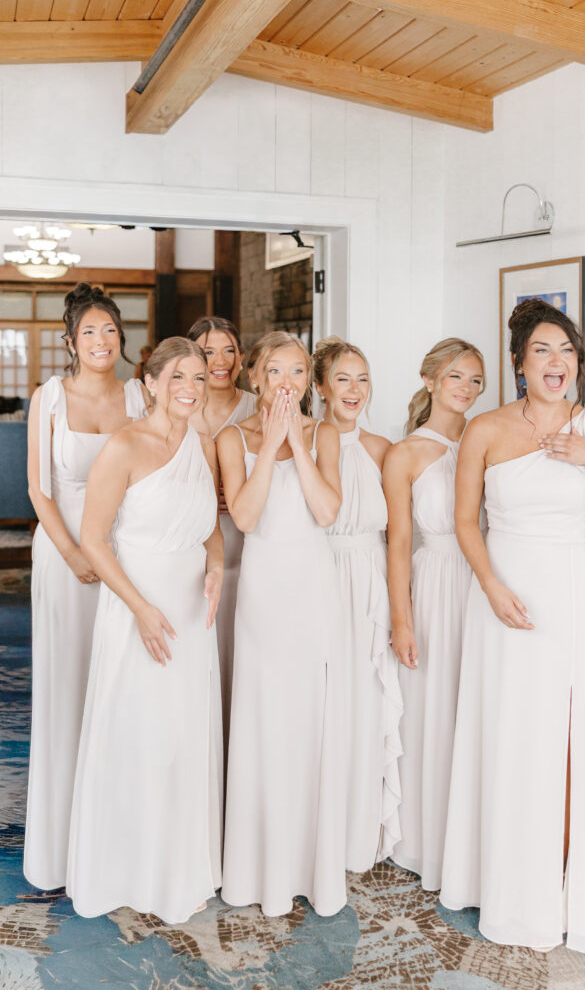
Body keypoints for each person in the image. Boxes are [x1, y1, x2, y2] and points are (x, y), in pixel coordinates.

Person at [440, 299, 585, 954]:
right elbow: (465, 521)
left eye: (567, 351)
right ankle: (508, 889)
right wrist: (491, 586)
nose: (557, 363)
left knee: (571, 747)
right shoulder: (486, 429)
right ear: (518, 364)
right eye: (542, 351)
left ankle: (564, 893)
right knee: (513, 740)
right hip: (504, 607)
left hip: (574, 607)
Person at [67, 338, 224, 924]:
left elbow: (209, 526)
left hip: (191, 611)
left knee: (182, 737)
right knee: (140, 735)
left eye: (199, 377)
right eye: (178, 376)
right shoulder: (124, 445)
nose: (190, 387)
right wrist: (139, 608)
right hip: (138, 608)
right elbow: (92, 540)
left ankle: (177, 868)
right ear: (151, 382)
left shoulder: (201, 444)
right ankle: (126, 870)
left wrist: (216, 564)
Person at [24, 283, 147, 892]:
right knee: (69, 681)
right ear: (71, 341)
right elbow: (39, 489)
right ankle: (61, 846)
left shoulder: (141, 394)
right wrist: (73, 554)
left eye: (110, 330)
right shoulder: (49, 397)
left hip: (127, 554)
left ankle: (117, 839)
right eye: (89, 332)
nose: (101, 341)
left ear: (122, 338)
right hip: (64, 554)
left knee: (122, 685)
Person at [219, 331, 346, 918]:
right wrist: (270, 447)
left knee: (310, 717)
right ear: (256, 377)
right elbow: (245, 517)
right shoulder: (231, 438)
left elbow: (326, 511)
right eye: (276, 371)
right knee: (265, 715)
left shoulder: (325, 434)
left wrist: (297, 438)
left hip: (313, 590)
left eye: (298, 371)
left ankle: (308, 866)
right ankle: (258, 870)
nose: (288, 383)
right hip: (264, 591)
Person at [383, 338, 485, 891]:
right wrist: (402, 620)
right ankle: (429, 840)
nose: (466, 389)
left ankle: (475, 840)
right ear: (430, 380)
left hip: (485, 581)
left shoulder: (488, 436)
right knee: (434, 707)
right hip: (436, 583)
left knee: (476, 706)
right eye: (456, 377)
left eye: (475, 380)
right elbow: (399, 543)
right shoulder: (407, 453)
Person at [312, 336, 401, 872]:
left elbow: (399, 534)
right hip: (322, 577)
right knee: (325, 705)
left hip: (371, 582)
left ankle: (361, 829)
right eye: (342, 379)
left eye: (362, 379)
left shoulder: (383, 449)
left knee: (366, 703)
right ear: (321, 386)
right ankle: (321, 831)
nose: (354, 389)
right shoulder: (305, 441)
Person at [187, 317, 257, 763]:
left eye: (229, 350)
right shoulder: (179, 405)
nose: (220, 360)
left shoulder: (255, 406)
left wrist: (240, 490)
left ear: (242, 357)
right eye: (208, 351)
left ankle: (238, 751)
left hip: (246, 540)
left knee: (240, 650)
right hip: (189, 543)